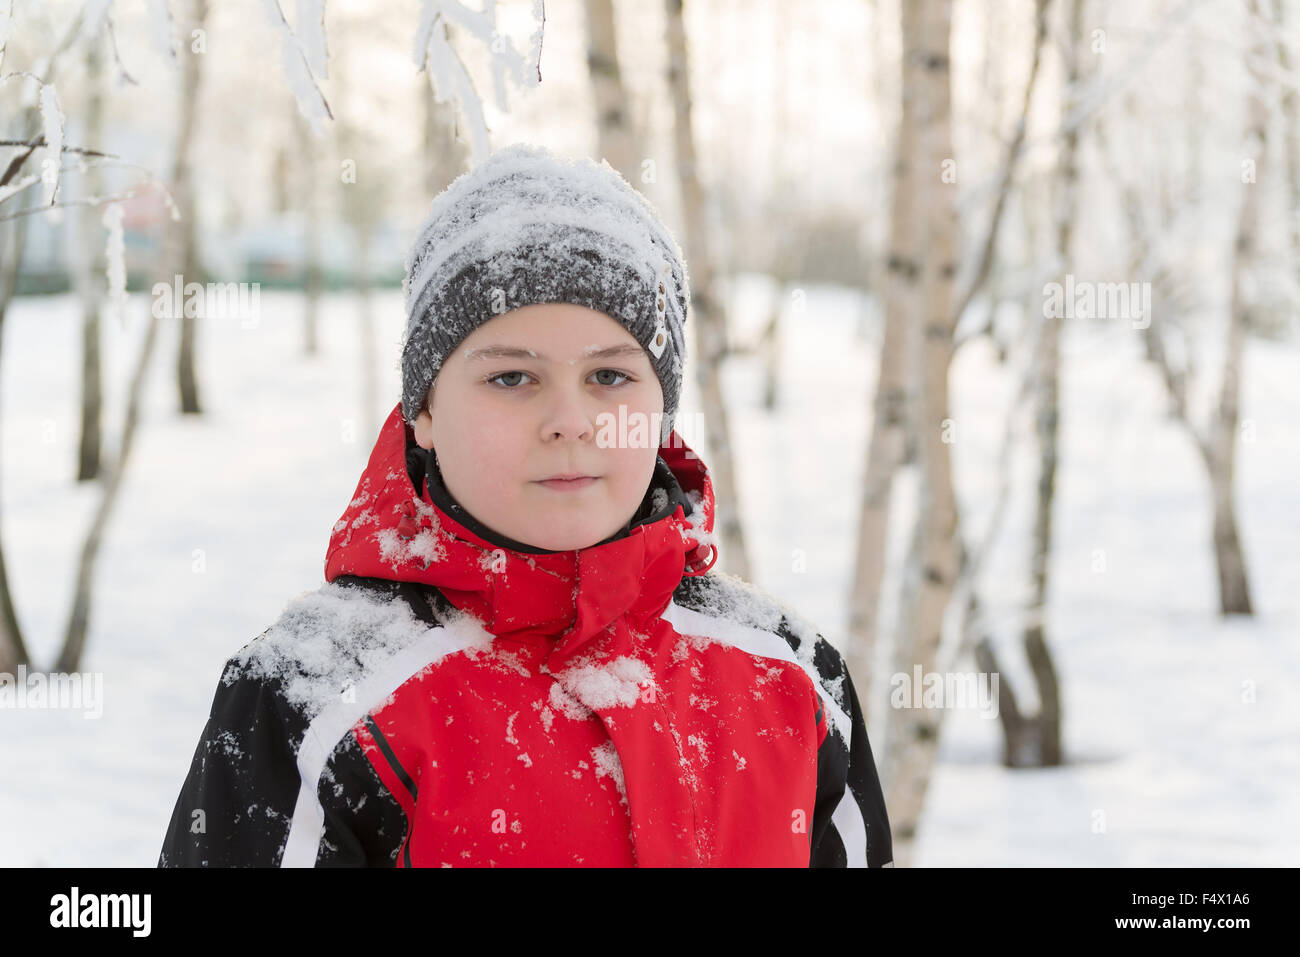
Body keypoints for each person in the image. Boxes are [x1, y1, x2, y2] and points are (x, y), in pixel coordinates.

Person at [157, 142, 892, 867]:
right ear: (425, 414)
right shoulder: (317, 695)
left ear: (662, 409)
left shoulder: (787, 672)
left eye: (610, 375)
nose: (569, 420)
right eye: (512, 378)